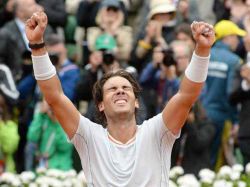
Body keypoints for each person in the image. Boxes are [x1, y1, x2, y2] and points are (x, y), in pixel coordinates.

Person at [25, 11, 215, 186]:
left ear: (137, 102)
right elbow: (55, 97)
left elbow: (186, 96)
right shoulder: (89, 136)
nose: (120, 91)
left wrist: (202, 51)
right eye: (112, 89)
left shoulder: (157, 132)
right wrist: (37, 46)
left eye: (126, 88)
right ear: (100, 105)